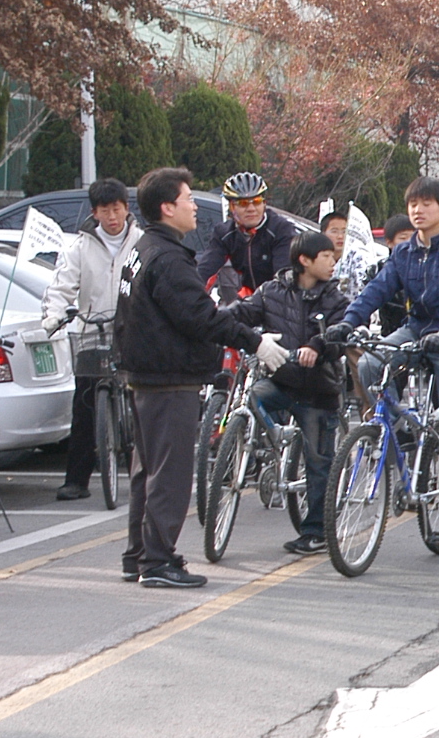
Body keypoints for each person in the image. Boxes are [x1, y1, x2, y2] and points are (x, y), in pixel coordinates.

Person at [115, 167, 275, 588]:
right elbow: (200, 316)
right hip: (167, 378)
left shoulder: (145, 248)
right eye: (187, 199)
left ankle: (140, 555)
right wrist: (254, 342)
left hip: (146, 375)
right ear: (167, 208)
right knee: (168, 475)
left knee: (146, 472)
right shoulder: (167, 258)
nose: (193, 207)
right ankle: (158, 561)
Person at [335, 176, 439, 555]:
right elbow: (377, 288)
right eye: (413, 203)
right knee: (368, 363)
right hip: (414, 330)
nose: (418, 210)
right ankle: (395, 429)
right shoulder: (402, 253)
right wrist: (350, 320)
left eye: (427, 203)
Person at [227, 230, 349, 554]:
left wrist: (317, 347)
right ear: (304, 261)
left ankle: (316, 531)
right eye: (326, 256)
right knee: (252, 396)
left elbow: (341, 334)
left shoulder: (335, 298)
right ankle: (273, 439)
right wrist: (218, 319)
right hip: (281, 382)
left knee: (319, 462)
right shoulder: (271, 291)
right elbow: (243, 313)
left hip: (318, 390)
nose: (333, 262)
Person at [40, 178, 143, 501]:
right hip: (90, 330)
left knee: (140, 403)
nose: (112, 217)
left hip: (132, 331)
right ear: (95, 212)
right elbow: (61, 287)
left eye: (117, 209)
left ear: (127, 209)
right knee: (84, 404)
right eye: (104, 211)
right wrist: (54, 315)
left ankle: (142, 474)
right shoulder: (79, 247)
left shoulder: (142, 242)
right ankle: (76, 480)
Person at [197, 172, 297, 298]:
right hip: (251, 299)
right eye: (243, 203)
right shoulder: (224, 233)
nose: (251, 208)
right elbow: (204, 272)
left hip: (282, 301)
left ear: (264, 203)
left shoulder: (280, 229)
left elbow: (283, 278)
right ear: (232, 207)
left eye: (256, 202)